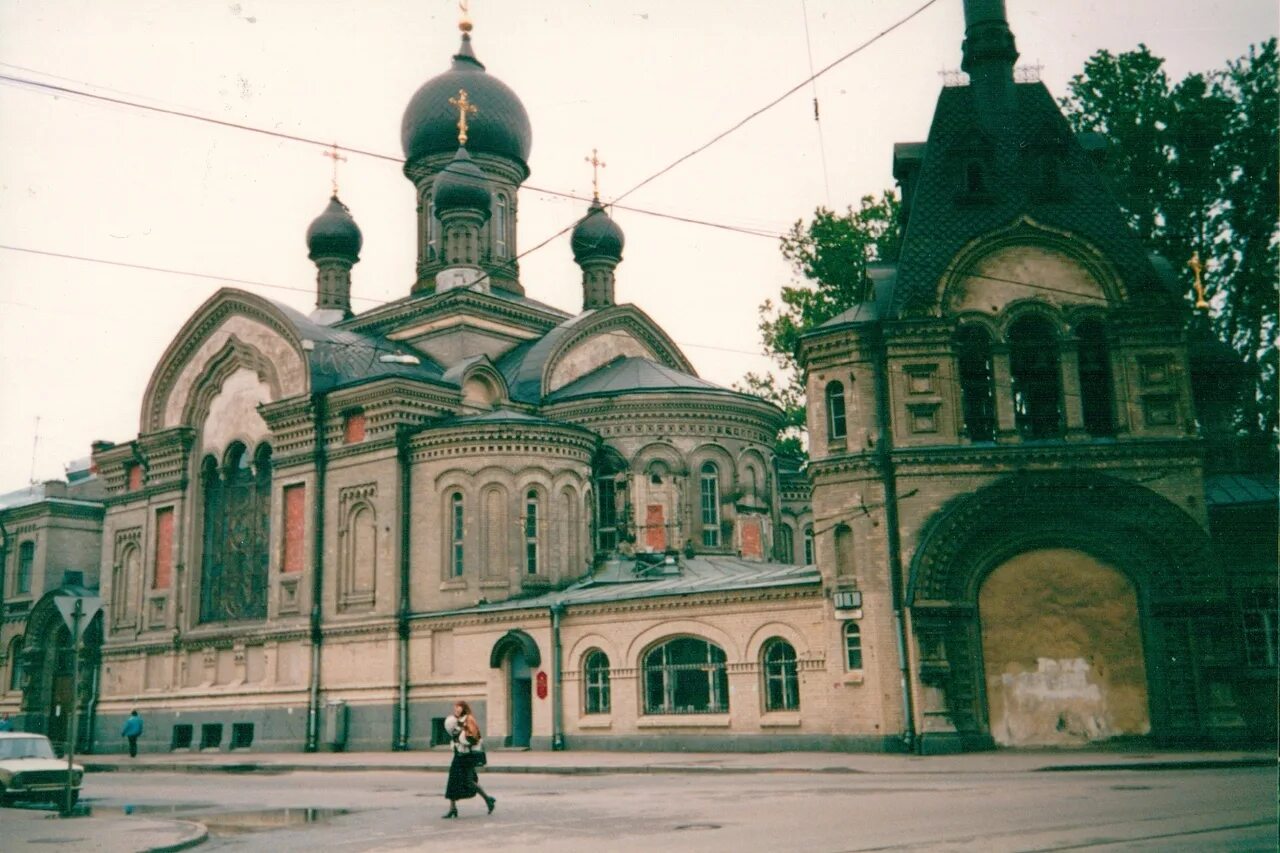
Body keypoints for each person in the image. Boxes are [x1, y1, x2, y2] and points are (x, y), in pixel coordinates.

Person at [442, 700, 495, 819]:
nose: (456, 710)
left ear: (464, 708)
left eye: (459, 708)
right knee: (452, 781)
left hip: (467, 756)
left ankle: (488, 800)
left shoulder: (469, 719)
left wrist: (461, 733)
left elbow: (473, 737)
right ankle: (452, 808)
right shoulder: (456, 721)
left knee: (469, 781)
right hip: (458, 754)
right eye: (455, 708)